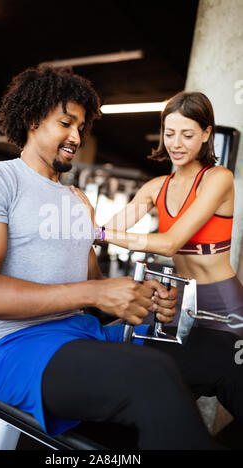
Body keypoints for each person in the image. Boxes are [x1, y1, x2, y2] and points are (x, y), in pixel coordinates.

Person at [0, 66, 242, 450]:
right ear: (31, 119)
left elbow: (95, 284)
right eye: (65, 123)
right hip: (17, 348)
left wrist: (142, 295)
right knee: (152, 373)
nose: (76, 136)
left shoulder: (78, 201)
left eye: (82, 127)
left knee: (228, 354)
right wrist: (94, 293)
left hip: (85, 334)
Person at [73, 91, 243, 338]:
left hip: (221, 300)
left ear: (206, 134)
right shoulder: (155, 187)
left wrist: (101, 232)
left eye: (187, 135)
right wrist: (85, 222)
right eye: (170, 133)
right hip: (177, 297)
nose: (176, 144)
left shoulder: (218, 179)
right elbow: (103, 233)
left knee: (227, 372)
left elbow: (170, 244)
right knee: (133, 348)